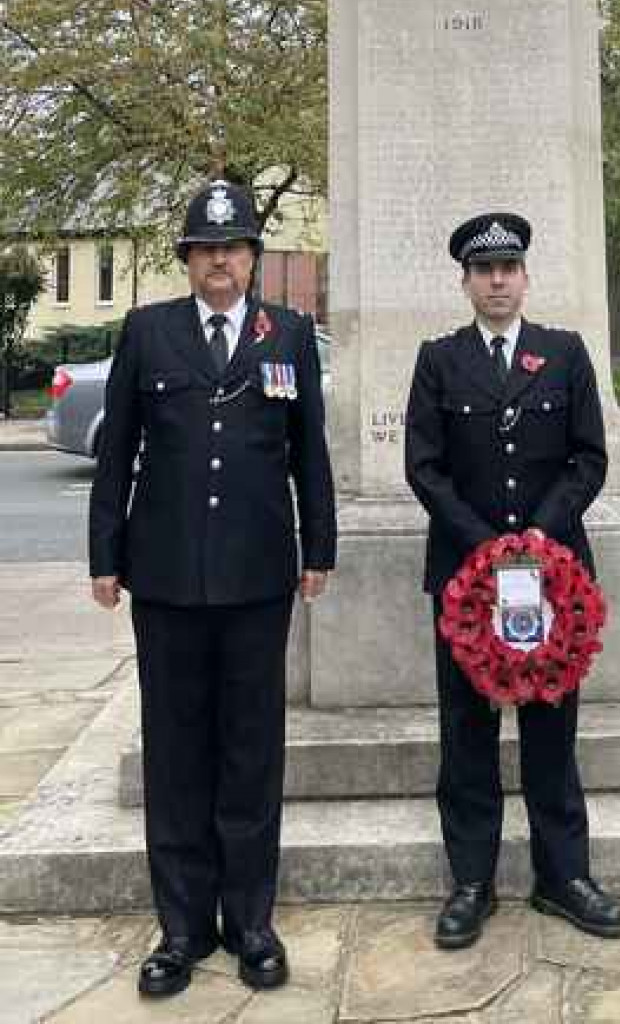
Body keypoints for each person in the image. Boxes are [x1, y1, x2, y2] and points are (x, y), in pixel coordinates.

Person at [89, 179, 337, 1000]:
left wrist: (319, 548)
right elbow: (117, 451)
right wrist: (105, 556)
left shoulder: (289, 335)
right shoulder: (148, 333)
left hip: (259, 580)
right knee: (175, 755)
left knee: (249, 754)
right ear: (188, 262)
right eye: (205, 250)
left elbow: (310, 456)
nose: (219, 262)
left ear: (252, 260)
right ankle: (182, 928)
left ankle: (251, 922)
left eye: (231, 249)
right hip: (164, 580)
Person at [404, 211, 620, 949]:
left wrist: (537, 536)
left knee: (550, 732)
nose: (496, 281)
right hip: (467, 580)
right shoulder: (438, 360)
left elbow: (587, 458)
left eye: (508, 269)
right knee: (465, 731)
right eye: (482, 270)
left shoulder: (563, 354)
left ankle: (562, 876)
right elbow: (424, 466)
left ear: (525, 278)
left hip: (552, 578)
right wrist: (485, 549)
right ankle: (472, 880)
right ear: (465, 281)